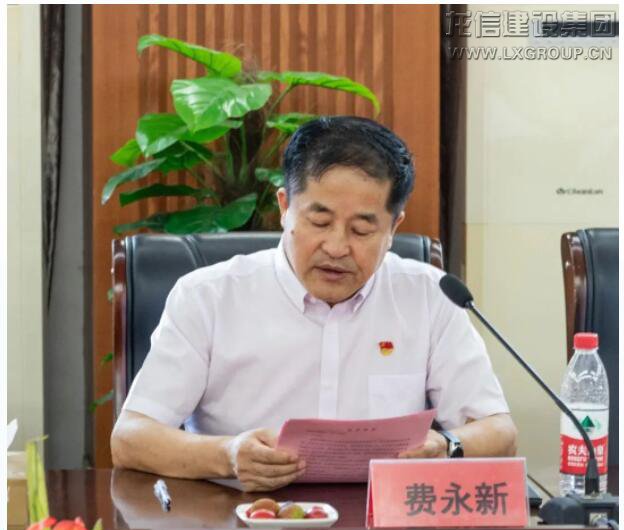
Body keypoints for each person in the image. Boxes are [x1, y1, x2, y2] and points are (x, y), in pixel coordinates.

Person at [111, 116, 517, 491]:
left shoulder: (428, 296)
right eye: (319, 222)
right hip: (240, 520)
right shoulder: (209, 296)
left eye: (362, 230)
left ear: (394, 227)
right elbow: (130, 438)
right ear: (285, 208)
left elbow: (498, 431)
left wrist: (446, 446)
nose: (337, 247)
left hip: (381, 526)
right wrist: (228, 455)